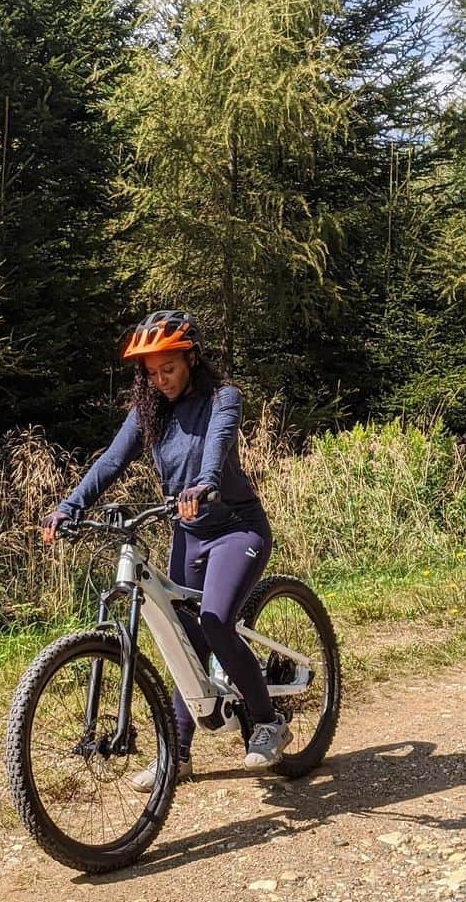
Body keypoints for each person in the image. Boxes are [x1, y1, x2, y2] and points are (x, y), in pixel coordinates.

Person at [41, 309, 291, 789]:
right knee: (184, 639)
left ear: (191, 358)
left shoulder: (224, 398)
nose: (161, 380)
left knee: (215, 621)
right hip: (188, 534)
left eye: (168, 369)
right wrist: (69, 506)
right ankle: (175, 755)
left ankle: (267, 722)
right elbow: (112, 459)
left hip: (237, 529)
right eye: (151, 373)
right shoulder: (149, 412)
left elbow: (217, 445)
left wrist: (204, 484)